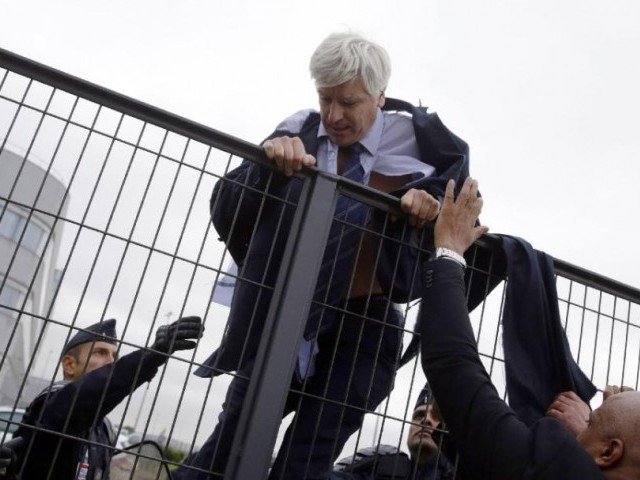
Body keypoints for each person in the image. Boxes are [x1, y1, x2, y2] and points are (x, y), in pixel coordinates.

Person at [191, 32, 471, 480]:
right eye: (325, 99)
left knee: (307, 459)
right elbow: (231, 209)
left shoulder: (424, 147)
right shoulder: (299, 127)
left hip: (365, 324)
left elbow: (461, 209)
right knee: (232, 439)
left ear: (380, 97)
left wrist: (429, 201)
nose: (334, 116)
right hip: (286, 310)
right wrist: (267, 167)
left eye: (349, 102)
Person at [419, 176, 640, 479]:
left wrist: (449, 250)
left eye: (590, 421)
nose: (581, 417)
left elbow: (454, 366)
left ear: (609, 453)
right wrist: (607, 428)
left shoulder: (555, 466)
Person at [12, 316, 203, 480]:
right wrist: (149, 358)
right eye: (100, 353)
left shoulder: (105, 429)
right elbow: (86, 395)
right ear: (70, 365)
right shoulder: (51, 403)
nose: (111, 361)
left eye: (114, 356)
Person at [332, 385, 457, 480]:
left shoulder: (468, 472)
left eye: (436, 417)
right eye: (419, 416)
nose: (426, 420)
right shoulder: (377, 466)